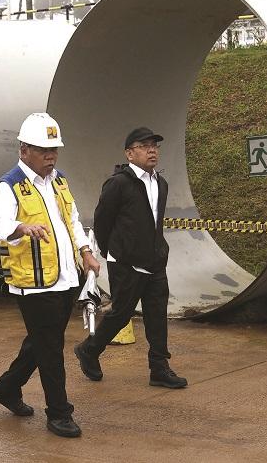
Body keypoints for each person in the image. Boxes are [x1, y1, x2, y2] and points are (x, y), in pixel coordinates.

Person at [0, 112, 100, 438]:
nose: (50, 156)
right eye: (43, 150)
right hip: (34, 284)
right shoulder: (9, 186)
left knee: (42, 342)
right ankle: (59, 414)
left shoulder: (59, 180)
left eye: (54, 150)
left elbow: (73, 219)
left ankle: (7, 387)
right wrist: (22, 227)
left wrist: (85, 251)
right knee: (51, 349)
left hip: (66, 277)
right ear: (24, 150)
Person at [74, 127, 187, 390]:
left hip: (155, 262)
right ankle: (89, 350)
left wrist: (160, 250)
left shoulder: (161, 183)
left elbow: (155, 223)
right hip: (126, 263)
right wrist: (114, 251)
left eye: (155, 146)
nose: (152, 150)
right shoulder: (118, 184)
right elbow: (103, 221)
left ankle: (159, 368)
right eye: (145, 146)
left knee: (157, 315)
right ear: (129, 153)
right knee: (121, 313)